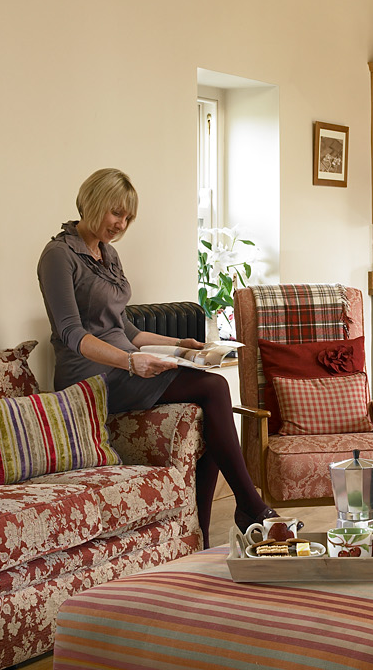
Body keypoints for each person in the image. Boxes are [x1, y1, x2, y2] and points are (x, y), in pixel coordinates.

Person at [37, 167, 278, 546]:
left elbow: (128, 330)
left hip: (123, 363)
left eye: (128, 217)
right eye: (117, 213)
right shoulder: (59, 255)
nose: (121, 224)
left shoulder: (108, 254)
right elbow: (72, 334)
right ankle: (250, 504)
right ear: (94, 202)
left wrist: (180, 345)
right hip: (89, 375)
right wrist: (129, 361)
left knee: (205, 408)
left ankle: (200, 531)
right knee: (214, 388)